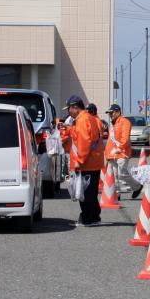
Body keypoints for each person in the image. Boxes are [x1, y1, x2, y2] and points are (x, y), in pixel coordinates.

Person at [60, 96, 104, 227]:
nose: (68, 112)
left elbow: (84, 142)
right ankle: (95, 215)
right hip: (92, 162)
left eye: (69, 109)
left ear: (75, 107)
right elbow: (79, 135)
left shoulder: (82, 120)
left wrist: (79, 160)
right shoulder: (87, 118)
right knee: (91, 191)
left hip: (86, 163)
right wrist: (68, 128)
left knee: (85, 193)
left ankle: (87, 218)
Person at [104, 104, 142, 199]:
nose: (110, 115)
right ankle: (116, 194)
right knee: (114, 175)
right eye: (109, 113)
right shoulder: (112, 124)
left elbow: (125, 138)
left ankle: (137, 186)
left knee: (122, 173)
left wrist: (119, 148)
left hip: (122, 152)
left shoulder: (125, 122)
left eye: (111, 113)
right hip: (112, 153)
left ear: (118, 112)